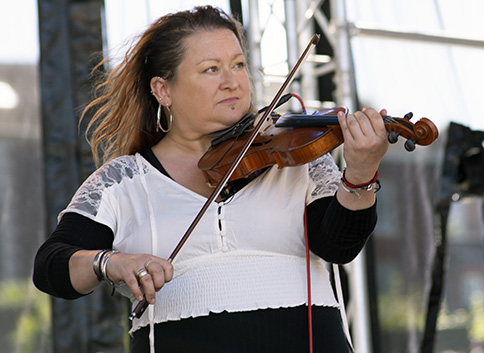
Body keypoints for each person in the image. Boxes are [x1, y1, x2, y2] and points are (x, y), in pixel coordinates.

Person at [33, 5, 389, 353]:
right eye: (210, 69)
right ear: (163, 90)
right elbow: (52, 266)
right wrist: (111, 263)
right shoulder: (123, 181)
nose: (231, 81)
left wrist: (359, 173)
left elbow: (339, 245)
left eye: (238, 65)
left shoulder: (296, 159)